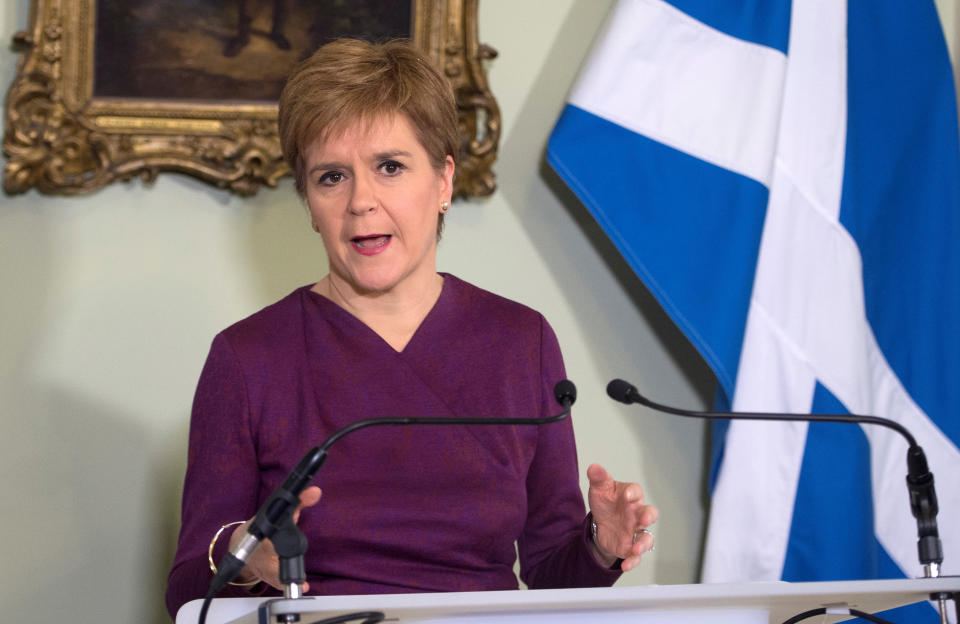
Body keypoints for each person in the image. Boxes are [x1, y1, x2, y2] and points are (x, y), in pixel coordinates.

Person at [165, 38, 657, 619]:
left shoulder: (522, 340)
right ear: (309, 202)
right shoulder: (247, 357)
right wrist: (247, 556)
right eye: (331, 177)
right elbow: (188, 595)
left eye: (390, 167)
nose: (360, 202)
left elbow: (550, 570)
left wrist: (601, 547)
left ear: (444, 182)